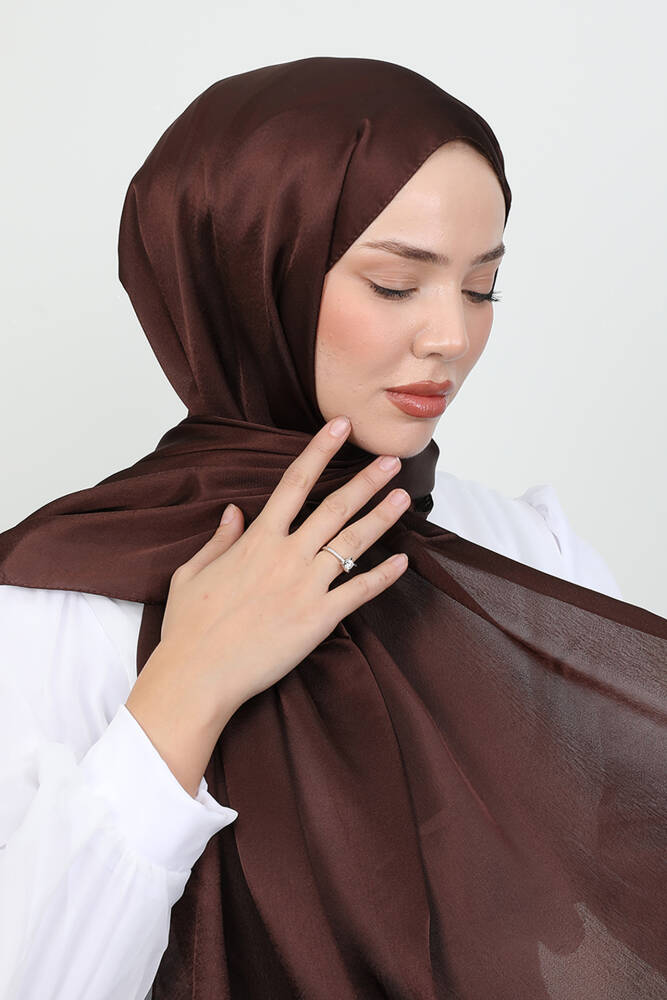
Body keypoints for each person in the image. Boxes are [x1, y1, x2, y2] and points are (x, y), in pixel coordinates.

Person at [0, 56, 664, 1000]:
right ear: (244, 275)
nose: (451, 337)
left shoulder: (527, 556)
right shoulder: (53, 610)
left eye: (481, 288)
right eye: (395, 285)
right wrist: (184, 693)